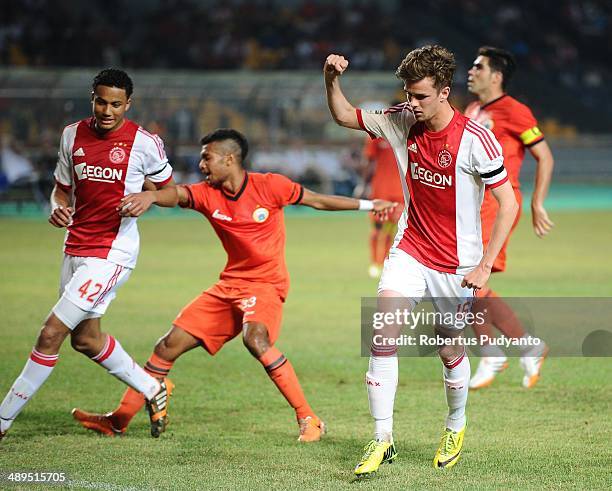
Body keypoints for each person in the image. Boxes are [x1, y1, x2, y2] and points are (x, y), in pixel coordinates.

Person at [72, 128, 398, 441]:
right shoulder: (206, 193)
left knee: (255, 339)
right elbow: (178, 194)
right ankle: (119, 420)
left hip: (266, 284)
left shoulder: (270, 186)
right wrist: (151, 196)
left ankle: (309, 419)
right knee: (166, 346)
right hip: (229, 286)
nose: (201, 165)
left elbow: (317, 200)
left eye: (206, 158)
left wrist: (370, 204)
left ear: (229, 159)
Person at [324, 45, 519, 474]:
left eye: (421, 96)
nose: (411, 103)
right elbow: (344, 115)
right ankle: (381, 439)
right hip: (410, 249)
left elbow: (508, 203)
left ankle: (455, 423)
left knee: (448, 346)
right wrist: (331, 79)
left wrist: (485, 263)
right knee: (383, 330)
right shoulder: (400, 121)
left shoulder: (476, 139)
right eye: (408, 94)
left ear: (445, 91)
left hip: (457, 263)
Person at [0, 69, 177, 441]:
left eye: (116, 104)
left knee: (50, 334)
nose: (107, 110)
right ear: (91, 98)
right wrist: (56, 206)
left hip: (112, 253)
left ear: (128, 104)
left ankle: (2, 422)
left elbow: (171, 192)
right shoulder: (72, 135)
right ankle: (151, 387)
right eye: (101, 101)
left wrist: (148, 196)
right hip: (76, 245)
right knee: (86, 339)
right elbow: (62, 189)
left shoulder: (145, 143)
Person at [465, 46, 554, 390]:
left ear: (496, 76)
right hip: (471, 204)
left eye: (478, 67)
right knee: (468, 282)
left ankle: (493, 353)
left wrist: (537, 203)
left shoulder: (515, 111)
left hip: (497, 202)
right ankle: (526, 346)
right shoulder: (473, 109)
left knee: (472, 280)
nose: (470, 71)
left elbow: (544, 157)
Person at [359, 126, 405, 279]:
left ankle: (384, 261)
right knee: (378, 228)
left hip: (400, 190)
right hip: (381, 190)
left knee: (392, 229)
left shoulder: (407, 132)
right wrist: (364, 185)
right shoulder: (376, 135)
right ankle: (374, 262)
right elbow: (369, 162)